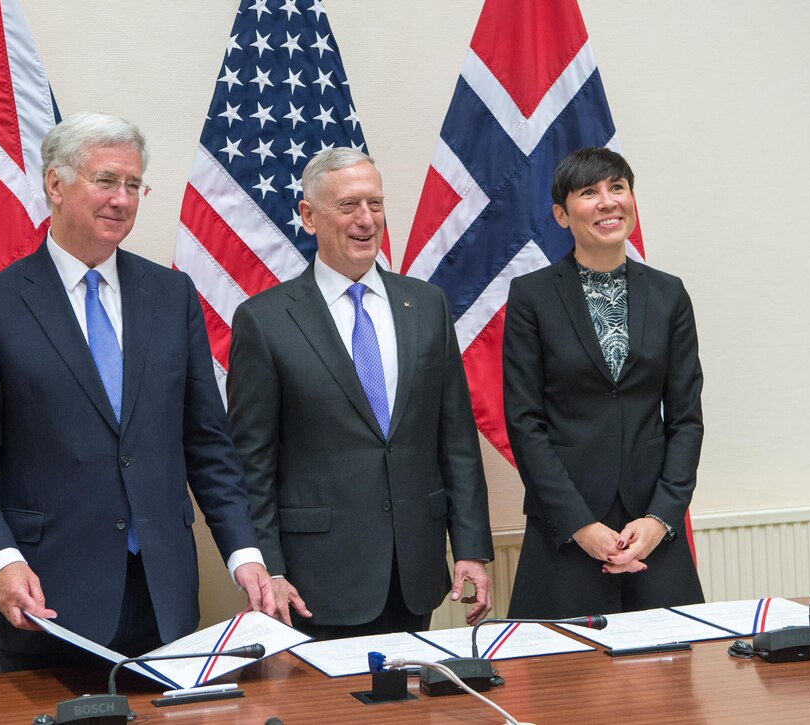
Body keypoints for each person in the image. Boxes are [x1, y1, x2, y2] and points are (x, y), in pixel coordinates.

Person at [0, 112, 274, 672]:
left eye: (133, 185)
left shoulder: (172, 295)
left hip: (161, 599)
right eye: (106, 180)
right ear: (55, 185)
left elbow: (209, 445)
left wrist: (243, 552)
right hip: (45, 601)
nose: (122, 199)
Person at [226, 147, 494, 640]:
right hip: (314, 583)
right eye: (349, 206)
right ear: (309, 216)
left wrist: (472, 548)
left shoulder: (426, 305)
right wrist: (271, 570)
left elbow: (456, 437)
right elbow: (252, 463)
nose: (366, 220)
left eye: (375, 204)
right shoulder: (264, 321)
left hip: (414, 572)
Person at [503, 146, 704, 618]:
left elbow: (686, 420)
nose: (608, 201)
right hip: (566, 529)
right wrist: (579, 525)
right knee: (566, 683)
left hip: (650, 530)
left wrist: (660, 519)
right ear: (561, 214)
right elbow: (525, 422)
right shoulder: (532, 296)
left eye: (617, 188)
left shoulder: (668, 292)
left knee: (669, 680)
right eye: (589, 193)